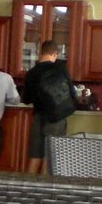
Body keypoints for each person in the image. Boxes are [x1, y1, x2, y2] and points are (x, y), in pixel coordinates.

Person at [22, 40, 76, 174]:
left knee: (35, 156)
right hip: (56, 118)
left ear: (41, 53)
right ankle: (44, 186)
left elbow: (26, 99)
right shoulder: (60, 69)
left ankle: (28, 185)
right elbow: (72, 93)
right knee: (49, 157)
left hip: (38, 117)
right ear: (55, 54)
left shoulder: (31, 73)